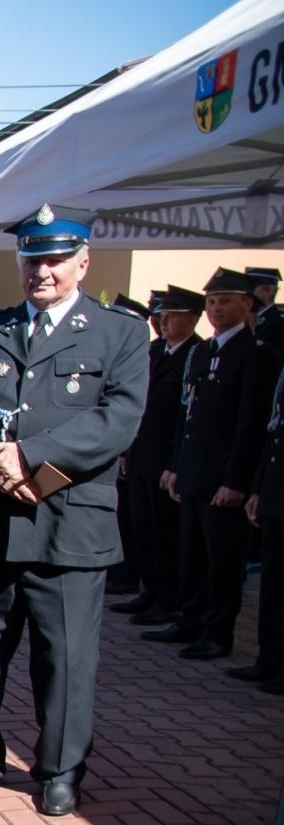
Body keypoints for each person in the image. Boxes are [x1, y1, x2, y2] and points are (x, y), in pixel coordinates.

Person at [0, 205, 148, 817]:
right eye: (33, 258)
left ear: (84, 262)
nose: (44, 271)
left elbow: (119, 421)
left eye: (57, 259)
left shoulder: (121, 334)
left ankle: (59, 769)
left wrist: (31, 455)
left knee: (66, 659)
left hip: (69, 526)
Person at [143, 269, 279, 659]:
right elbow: (188, 416)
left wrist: (236, 481)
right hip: (194, 472)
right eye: (212, 302)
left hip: (223, 479)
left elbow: (250, 424)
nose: (216, 309)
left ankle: (218, 633)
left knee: (222, 563)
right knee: (192, 555)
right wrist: (175, 466)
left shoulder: (256, 354)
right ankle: (190, 620)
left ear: (247, 305)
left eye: (225, 301)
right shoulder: (204, 352)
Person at [113, 287, 203, 625]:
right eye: (162, 315)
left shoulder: (195, 354)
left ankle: (167, 599)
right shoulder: (156, 352)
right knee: (144, 531)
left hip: (167, 461)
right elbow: (141, 410)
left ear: (192, 319)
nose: (162, 321)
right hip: (142, 457)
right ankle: (149, 592)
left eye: (171, 316)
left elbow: (181, 417)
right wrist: (128, 453)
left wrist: (173, 464)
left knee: (166, 536)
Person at [234, 360, 284, 693]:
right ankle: (270, 660)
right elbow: (274, 432)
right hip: (276, 490)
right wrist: (259, 488)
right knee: (273, 586)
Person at [248, 266, 282, 358]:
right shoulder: (241, 318)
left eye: (249, 288)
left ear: (267, 291)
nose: (245, 293)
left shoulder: (279, 322)